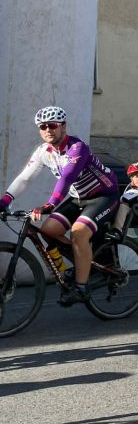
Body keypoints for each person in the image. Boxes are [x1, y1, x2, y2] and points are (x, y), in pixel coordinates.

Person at [0, 106, 119, 306]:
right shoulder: (43, 152)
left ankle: (81, 286)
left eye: (53, 125)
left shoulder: (77, 148)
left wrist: (50, 204)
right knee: (48, 230)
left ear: (63, 126)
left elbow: (66, 178)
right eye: (43, 126)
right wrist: (4, 201)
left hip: (103, 195)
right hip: (77, 198)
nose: (48, 130)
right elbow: (24, 179)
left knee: (79, 232)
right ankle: (83, 262)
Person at [106, 162, 138, 245]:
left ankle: (117, 231)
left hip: (137, 213)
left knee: (123, 206)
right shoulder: (130, 189)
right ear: (132, 179)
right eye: (136, 176)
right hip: (127, 211)